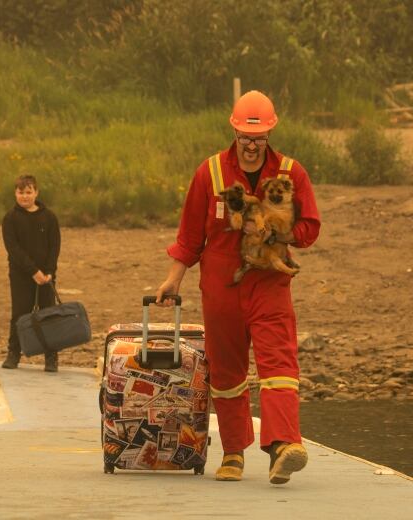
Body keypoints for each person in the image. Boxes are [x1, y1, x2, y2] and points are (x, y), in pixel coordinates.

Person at [155, 91, 320, 485]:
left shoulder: (291, 173)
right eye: (246, 138)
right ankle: (232, 452)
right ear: (234, 131)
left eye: (259, 138)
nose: (251, 146)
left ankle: (284, 446)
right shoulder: (209, 172)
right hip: (222, 284)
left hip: (270, 282)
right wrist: (172, 278)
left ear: (270, 134)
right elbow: (191, 235)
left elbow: (309, 227)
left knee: (279, 365)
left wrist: (280, 232)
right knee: (227, 372)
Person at [1, 175, 61, 372]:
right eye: (21, 192)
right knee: (20, 313)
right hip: (21, 275)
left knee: (48, 314)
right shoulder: (10, 218)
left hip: (46, 276)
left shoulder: (49, 217)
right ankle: (13, 354)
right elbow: (14, 249)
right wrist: (33, 271)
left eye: (28, 192)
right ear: (15, 193)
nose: (25, 196)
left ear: (36, 193)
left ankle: (51, 358)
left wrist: (49, 272)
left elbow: (55, 246)